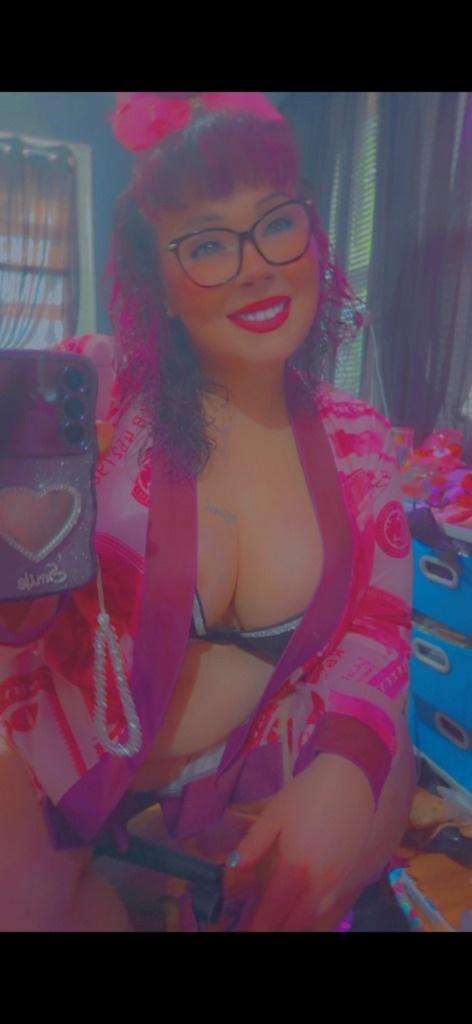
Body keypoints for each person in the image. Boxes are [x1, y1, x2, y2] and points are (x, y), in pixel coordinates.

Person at [0, 92, 416, 932]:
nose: (256, 265)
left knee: (388, 763)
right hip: (58, 759)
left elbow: (377, 627)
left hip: (240, 767)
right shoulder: (94, 393)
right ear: (157, 280)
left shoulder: (358, 438)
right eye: (207, 243)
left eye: (276, 223)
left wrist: (346, 767)